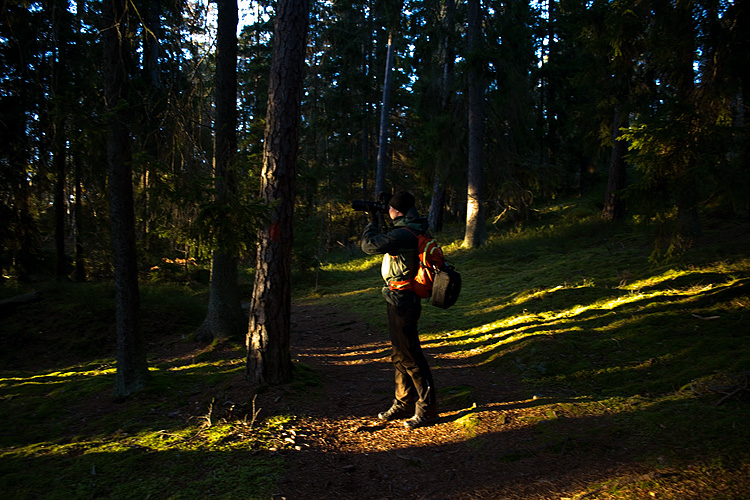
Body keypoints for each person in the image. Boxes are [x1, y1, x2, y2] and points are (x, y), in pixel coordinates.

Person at [360, 191, 438, 429]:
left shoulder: (404, 234)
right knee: (399, 354)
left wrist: (372, 222)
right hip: (398, 298)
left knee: (411, 356)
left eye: (390, 208)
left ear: (396, 211)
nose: (388, 211)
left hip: (404, 301)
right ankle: (403, 401)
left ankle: (427, 408)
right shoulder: (412, 229)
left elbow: (369, 245)